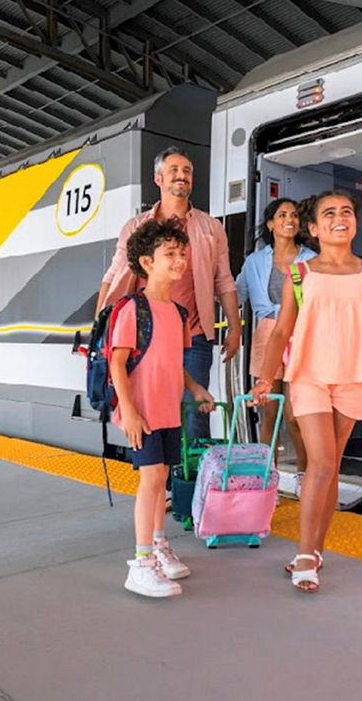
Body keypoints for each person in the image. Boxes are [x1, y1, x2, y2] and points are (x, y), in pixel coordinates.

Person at [250, 190, 362, 593]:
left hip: (352, 378)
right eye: (328, 213)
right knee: (323, 464)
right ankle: (303, 554)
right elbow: (281, 331)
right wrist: (266, 378)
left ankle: (315, 550)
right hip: (309, 377)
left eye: (346, 211)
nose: (339, 217)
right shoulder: (300, 275)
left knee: (328, 472)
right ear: (313, 228)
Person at [97, 146, 240, 442]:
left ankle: (188, 488)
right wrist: (101, 325)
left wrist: (234, 327)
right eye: (174, 170)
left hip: (195, 336)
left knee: (194, 415)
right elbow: (113, 277)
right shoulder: (136, 227)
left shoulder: (211, 228)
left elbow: (224, 280)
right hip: (146, 338)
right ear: (158, 179)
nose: (182, 176)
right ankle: (158, 480)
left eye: (187, 171)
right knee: (152, 414)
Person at [111, 219, 215, 598]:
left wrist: (196, 388)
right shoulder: (133, 309)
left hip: (168, 411)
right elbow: (117, 363)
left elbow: (175, 362)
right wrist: (130, 411)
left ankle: (157, 545)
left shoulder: (178, 312)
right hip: (143, 412)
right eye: (169, 254)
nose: (180, 260)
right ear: (146, 262)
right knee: (152, 480)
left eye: (182, 254)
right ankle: (140, 565)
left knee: (161, 481)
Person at [236, 198, 315, 493]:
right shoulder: (256, 261)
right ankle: (267, 479)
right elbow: (237, 292)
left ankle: (305, 479)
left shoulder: (310, 259)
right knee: (269, 411)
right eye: (282, 215)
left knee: (295, 414)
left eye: (294, 215)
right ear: (270, 224)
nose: (289, 220)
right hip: (267, 334)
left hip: (299, 334)